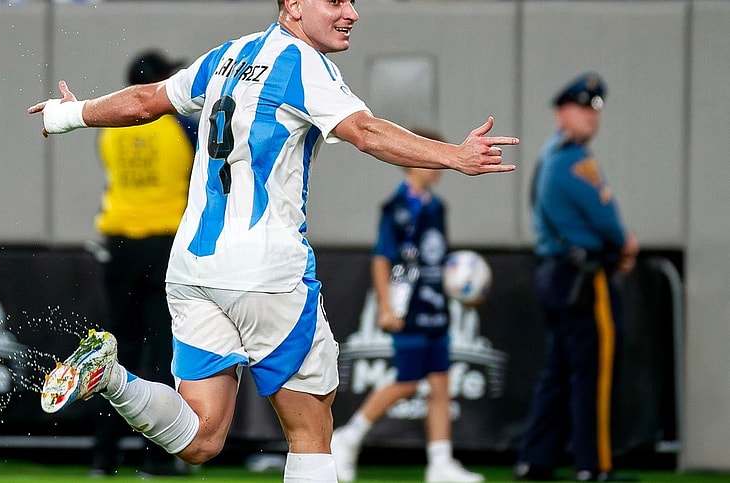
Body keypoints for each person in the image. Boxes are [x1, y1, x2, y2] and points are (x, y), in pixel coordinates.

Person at [29, 1, 519, 482]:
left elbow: (143, 101)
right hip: (265, 271)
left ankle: (110, 377)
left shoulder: (225, 57)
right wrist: (453, 155)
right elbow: (366, 132)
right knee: (311, 430)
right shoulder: (304, 64)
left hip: (193, 269)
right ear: (293, 5)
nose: (351, 13)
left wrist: (66, 115)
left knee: (201, 437)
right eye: (334, 1)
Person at [331, 129, 484, 483]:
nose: (440, 165)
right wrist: (387, 307)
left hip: (436, 309)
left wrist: (462, 289)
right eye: (433, 156)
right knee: (407, 381)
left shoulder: (437, 208)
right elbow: (383, 258)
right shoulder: (395, 208)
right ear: (416, 160)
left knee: (441, 382)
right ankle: (347, 438)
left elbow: (438, 260)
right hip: (408, 309)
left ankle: (440, 462)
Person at [514, 72, 639, 482]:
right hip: (583, 279)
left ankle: (536, 458)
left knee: (560, 369)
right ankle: (594, 464)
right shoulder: (574, 160)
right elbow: (609, 222)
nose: (590, 117)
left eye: (593, 110)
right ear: (561, 112)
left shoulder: (551, 156)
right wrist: (624, 245)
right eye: (582, 108)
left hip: (556, 275)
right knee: (593, 372)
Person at [89, 50, 197, 477]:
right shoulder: (180, 127)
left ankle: (104, 457)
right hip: (163, 246)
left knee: (117, 352)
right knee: (161, 352)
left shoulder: (109, 132)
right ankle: (156, 457)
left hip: (118, 245)